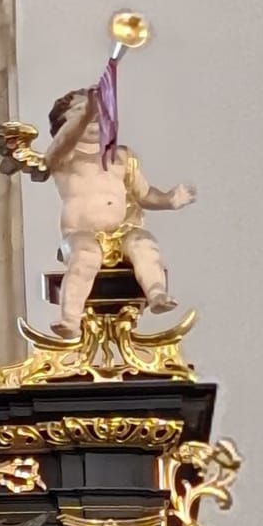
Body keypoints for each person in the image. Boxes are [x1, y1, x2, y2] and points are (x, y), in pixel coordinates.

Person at [38, 86, 194, 338]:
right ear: (61, 123)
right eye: (78, 110)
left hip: (122, 231)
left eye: (97, 112)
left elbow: (143, 194)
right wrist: (85, 113)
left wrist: (169, 200)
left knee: (144, 244)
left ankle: (156, 294)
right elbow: (60, 146)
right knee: (85, 258)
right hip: (81, 234)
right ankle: (69, 319)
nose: (93, 116)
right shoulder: (64, 157)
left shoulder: (121, 157)